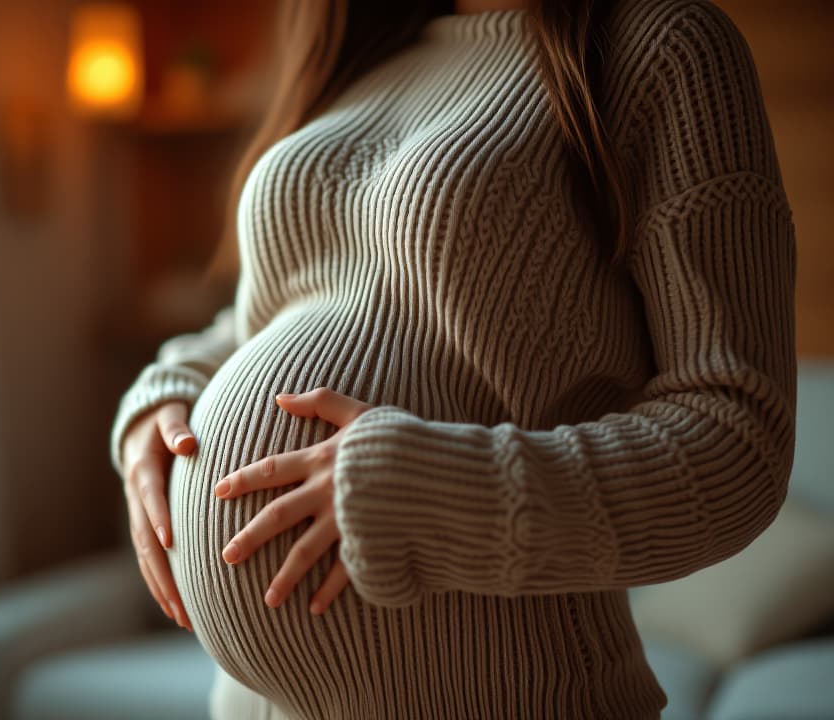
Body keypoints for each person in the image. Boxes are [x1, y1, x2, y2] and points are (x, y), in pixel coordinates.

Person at [110, 0, 797, 717]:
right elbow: (264, 317)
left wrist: (426, 490)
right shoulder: (357, 54)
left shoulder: (667, 48)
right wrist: (163, 399)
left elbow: (737, 441)